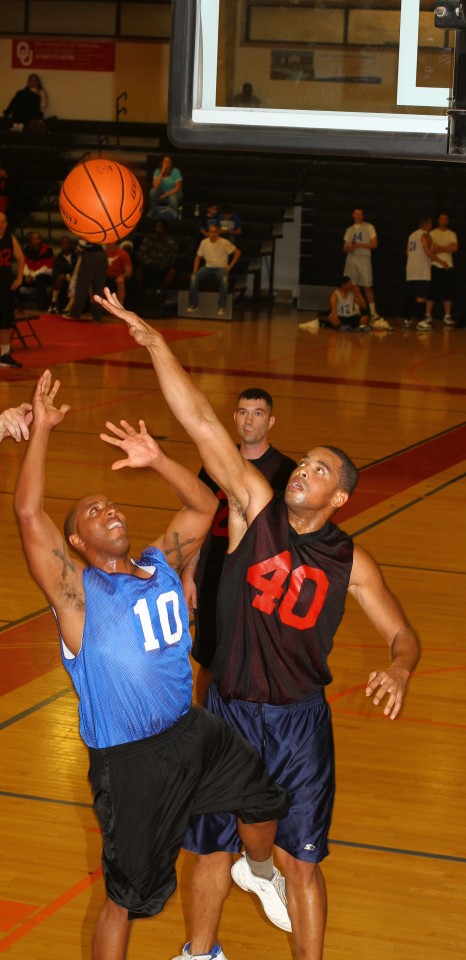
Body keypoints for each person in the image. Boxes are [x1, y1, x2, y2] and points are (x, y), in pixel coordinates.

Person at [92, 287, 422, 960]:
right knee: (207, 847)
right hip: (227, 712)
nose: (303, 471)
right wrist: (155, 342)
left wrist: (400, 665)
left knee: (303, 863)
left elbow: (403, 633)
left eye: (319, 470)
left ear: (341, 497)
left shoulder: (350, 559)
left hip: (299, 722)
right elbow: (203, 426)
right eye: (303, 464)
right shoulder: (254, 508)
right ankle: (200, 952)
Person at [14, 370, 290, 960]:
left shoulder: (160, 562)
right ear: (79, 545)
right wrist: (41, 431)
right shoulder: (78, 595)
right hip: (131, 764)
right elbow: (29, 515)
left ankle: (260, 872)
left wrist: (158, 459)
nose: (108, 509)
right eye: (92, 512)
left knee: (265, 799)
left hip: (193, 735)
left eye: (110, 502)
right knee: (129, 898)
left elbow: (203, 503)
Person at [182, 388, 296, 694]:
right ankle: (206, 727)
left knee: (256, 660)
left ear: (270, 422)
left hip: (260, 580)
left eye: (258, 414)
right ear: (234, 417)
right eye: (243, 412)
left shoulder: (285, 471)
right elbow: (199, 521)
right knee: (208, 659)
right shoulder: (214, 464)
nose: (249, 421)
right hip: (214, 573)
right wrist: (189, 573)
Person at [343, 207, 388, 324]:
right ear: (353, 215)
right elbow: (344, 247)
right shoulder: (349, 229)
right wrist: (350, 248)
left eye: (361, 214)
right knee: (354, 287)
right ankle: (357, 311)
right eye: (357, 214)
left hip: (364, 259)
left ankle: (373, 312)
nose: (359, 216)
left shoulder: (369, 227)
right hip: (352, 259)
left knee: (367, 286)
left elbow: (375, 244)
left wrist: (360, 245)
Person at [188, 224, 241, 317]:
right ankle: (193, 304)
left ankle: (221, 306)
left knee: (224, 281)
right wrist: (194, 271)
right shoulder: (204, 242)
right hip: (208, 267)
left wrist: (230, 266)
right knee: (194, 278)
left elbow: (238, 252)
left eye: (215, 232)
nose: (213, 234)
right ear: (208, 233)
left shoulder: (224, 242)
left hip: (221, 267)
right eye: (211, 232)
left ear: (218, 232)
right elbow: (198, 257)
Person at [404, 215, 445, 331]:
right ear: (428, 224)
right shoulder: (425, 234)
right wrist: (440, 261)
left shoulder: (412, 235)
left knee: (410, 296)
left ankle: (407, 320)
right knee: (421, 296)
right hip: (421, 270)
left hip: (410, 269)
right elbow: (427, 250)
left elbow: (407, 251)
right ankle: (421, 322)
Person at [298, 276, 374, 333]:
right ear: (343, 285)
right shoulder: (335, 295)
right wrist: (335, 317)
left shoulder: (352, 293)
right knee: (331, 318)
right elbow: (333, 310)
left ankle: (350, 328)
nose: (351, 285)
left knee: (365, 318)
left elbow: (363, 306)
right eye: (349, 283)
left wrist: (358, 292)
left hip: (351, 316)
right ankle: (344, 327)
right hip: (340, 317)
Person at [0, 210, 25, 368]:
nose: (1, 225)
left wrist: (19, 278)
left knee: (6, 320)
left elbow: (21, 258)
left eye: (3, 222)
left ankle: (5, 354)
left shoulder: (10, 238)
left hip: (5, 285)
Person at [426, 213, 458, 327]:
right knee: (431, 292)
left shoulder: (452, 234)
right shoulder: (432, 233)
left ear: (448, 221)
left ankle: (447, 315)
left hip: (448, 266)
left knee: (447, 293)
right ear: (438, 220)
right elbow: (431, 249)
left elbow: (454, 248)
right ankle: (428, 315)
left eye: (445, 219)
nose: (443, 221)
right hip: (435, 265)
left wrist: (440, 247)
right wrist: (446, 247)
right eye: (441, 219)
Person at [67, 240, 108, 322]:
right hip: (102, 256)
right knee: (99, 287)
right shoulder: (103, 228)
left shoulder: (87, 229)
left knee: (82, 286)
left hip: (90, 255)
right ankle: (97, 316)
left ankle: (75, 313)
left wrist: (79, 251)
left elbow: (80, 248)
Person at [135, 220, 177, 292]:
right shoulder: (148, 239)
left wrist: (162, 264)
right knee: (139, 268)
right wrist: (149, 261)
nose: (157, 229)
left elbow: (172, 257)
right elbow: (141, 253)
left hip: (163, 266)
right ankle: (141, 290)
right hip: (148, 263)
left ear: (165, 229)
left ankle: (160, 289)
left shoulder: (171, 242)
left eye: (160, 227)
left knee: (172, 271)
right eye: (156, 227)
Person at [22, 230, 54, 311]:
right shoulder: (27, 250)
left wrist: (32, 276)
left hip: (44, 277)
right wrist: (27, 274)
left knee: (40, 278)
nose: (36, 241)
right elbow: (24, 264)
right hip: (30, 276)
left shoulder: (47, 251)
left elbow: (47, 268)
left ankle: (41, 308)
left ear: (41, 240)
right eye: (34, 239)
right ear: (31, 241)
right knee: (16, 279)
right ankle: (15, 307)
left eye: (38, 239)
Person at [48, 236, 78, 314]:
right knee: (61, 277)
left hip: (76, 278)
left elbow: (79, 269)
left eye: (67, 243)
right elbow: (57, 273)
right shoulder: (58, 258)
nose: (66, 246)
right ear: (60, 245)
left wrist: (71, 274)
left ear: (70, 244)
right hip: (64, 279)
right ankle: (53, 302)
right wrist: (67, 275)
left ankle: (70, 306)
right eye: (63, 244)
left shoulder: (77, 255)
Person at [149, 156, 183, 221]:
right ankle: (152, 212)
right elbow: (155, 186)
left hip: (174, 192)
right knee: (153, 191)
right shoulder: (157, 171)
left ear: (171, 163)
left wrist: (166, 195)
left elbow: (178, 188)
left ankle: (174, 215)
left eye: (168, 161)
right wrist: (162, 172)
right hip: (161, 192)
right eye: (165, 161)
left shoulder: (175, 171)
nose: (166, 163)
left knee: (172, 197)